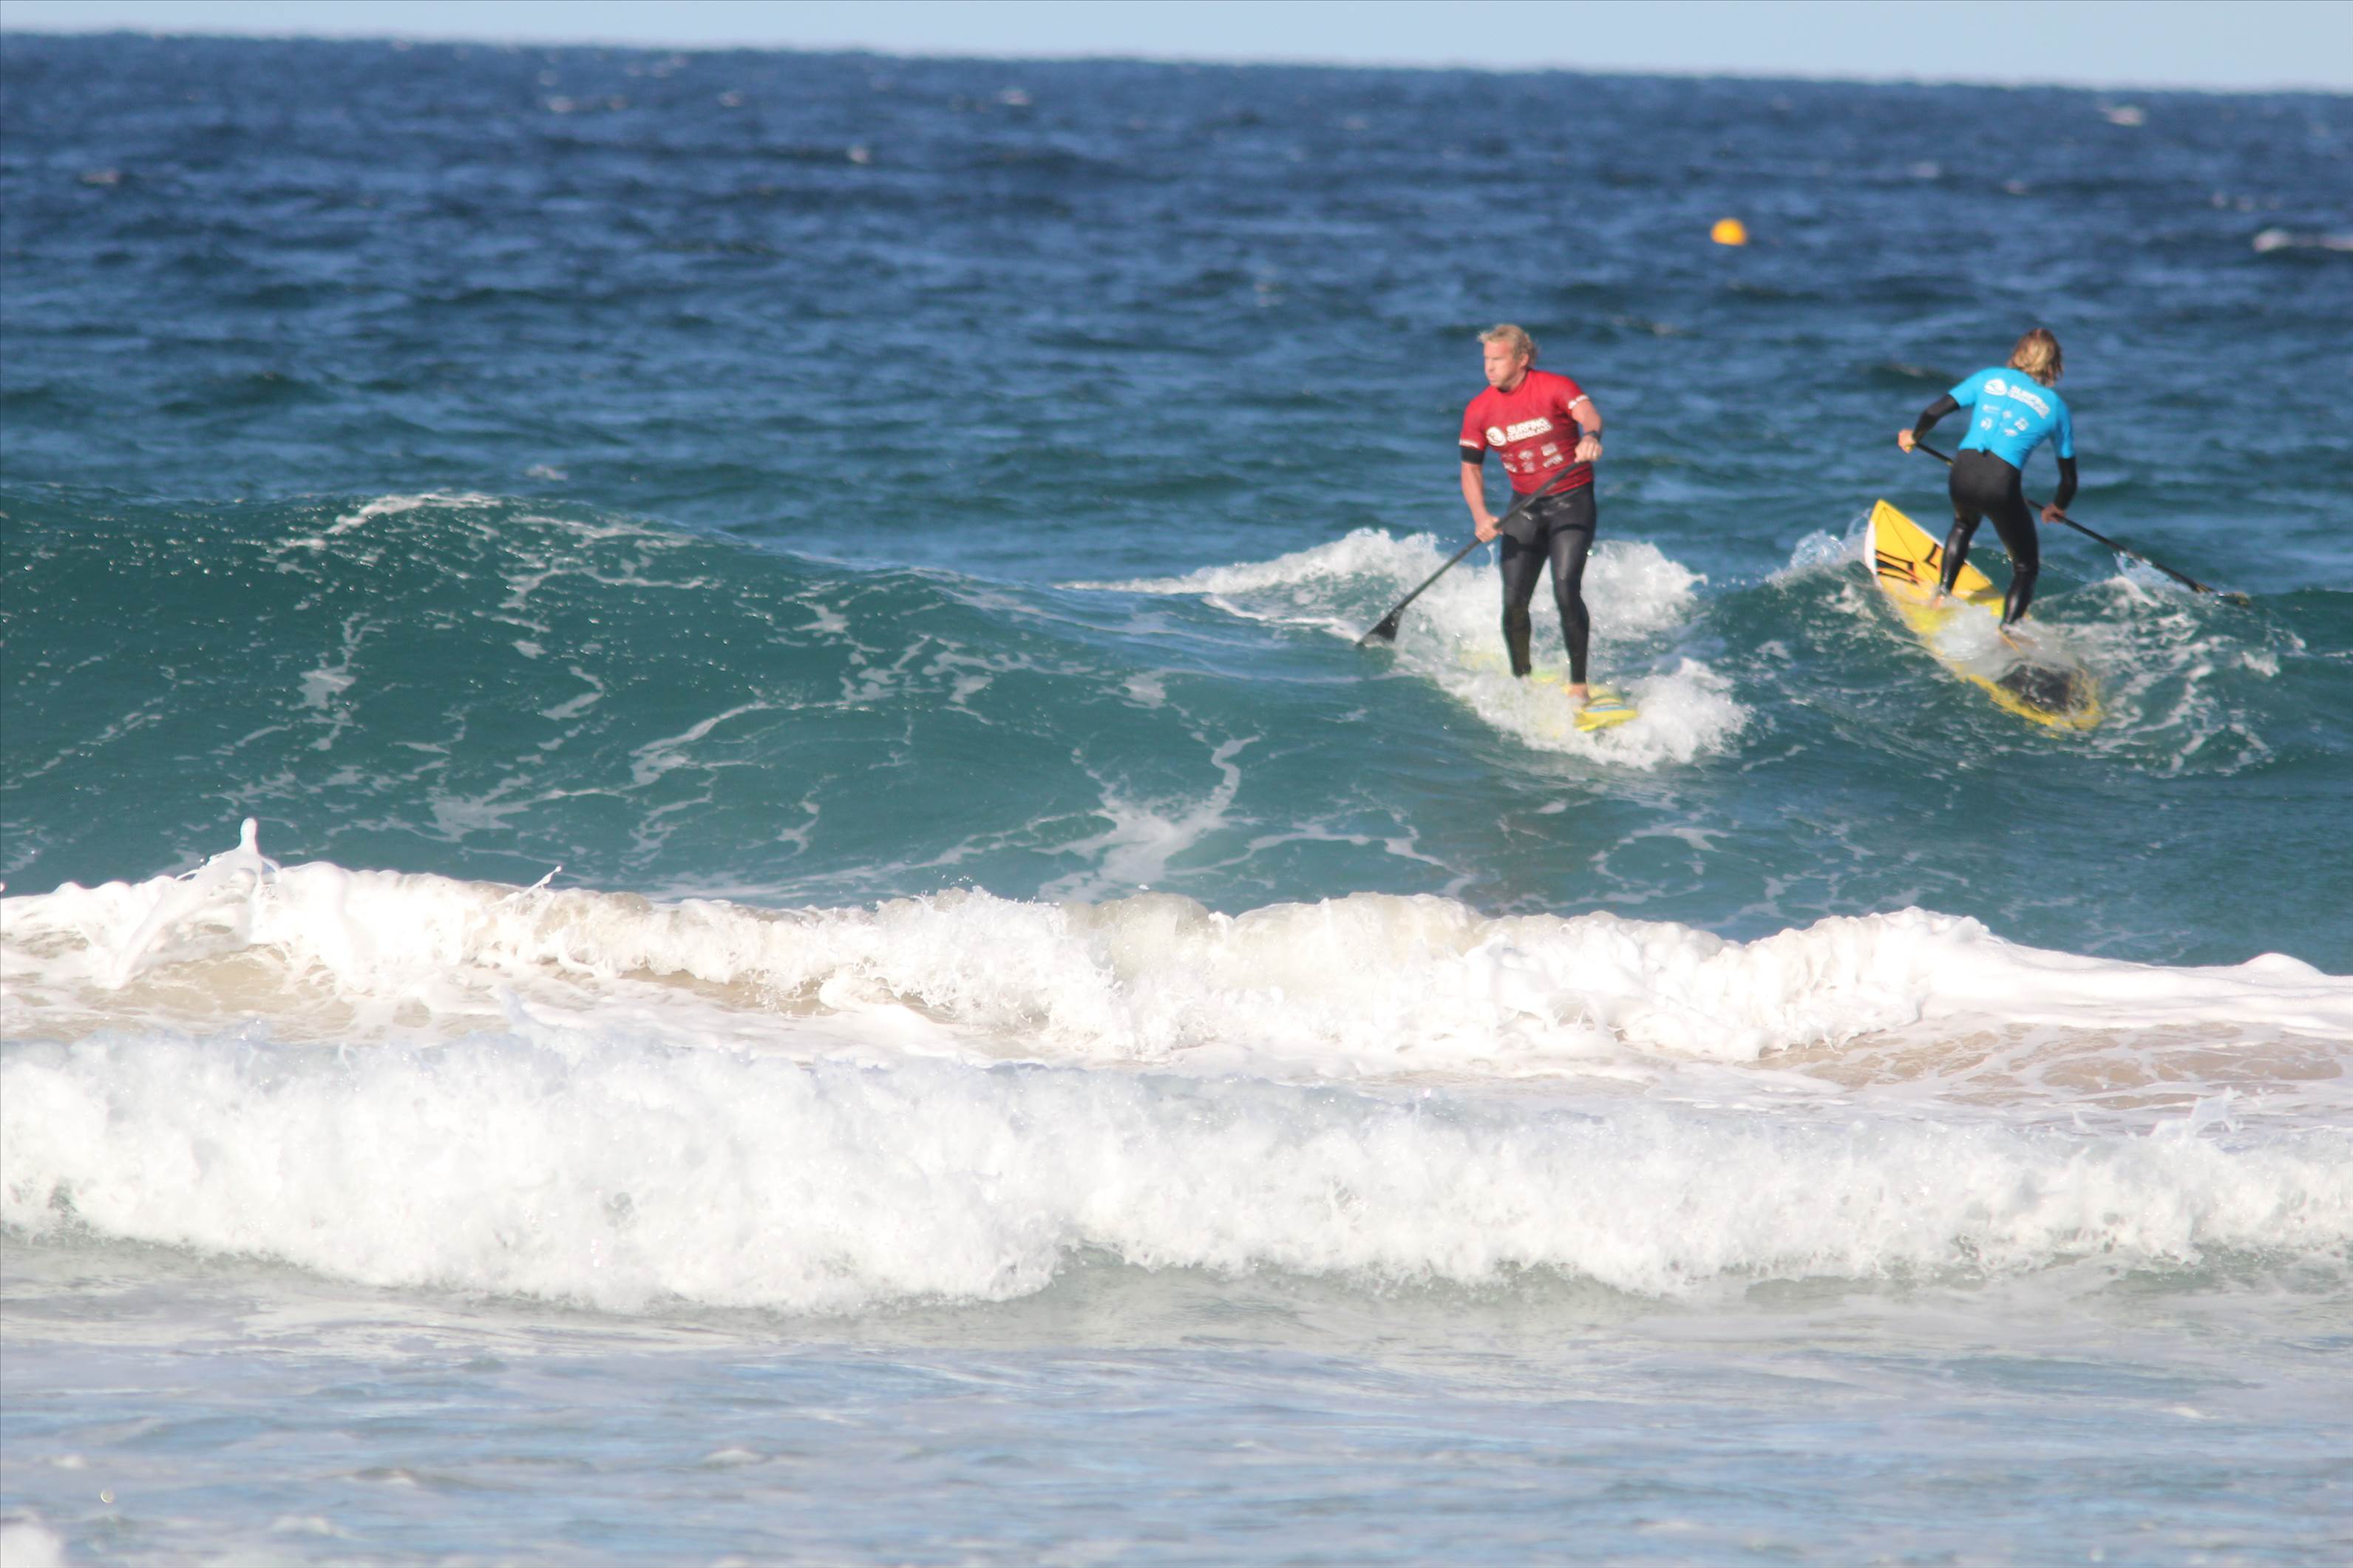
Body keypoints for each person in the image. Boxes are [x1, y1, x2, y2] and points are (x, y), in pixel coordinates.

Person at [1459, 324, 1605, 702]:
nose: (1489, 368)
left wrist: (1590, 438)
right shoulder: (1479, 409)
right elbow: (1470, 469)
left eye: (1497, 359)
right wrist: (1480, 516)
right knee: (1513, 602)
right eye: (1485, 360)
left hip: (1571, 501)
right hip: (1524, 508)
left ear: (1522, 360)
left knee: (1565, 589)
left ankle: (1579, 686)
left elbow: (1588, 414)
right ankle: (1521, 683)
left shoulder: (1555, 387)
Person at [1897, 328, 2077, 626]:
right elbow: (2069, 480)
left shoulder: (1989, 378)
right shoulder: (2056, 407)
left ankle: (1941, 595)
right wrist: (2057, 507)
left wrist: (1914, 436)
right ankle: (2008, 632)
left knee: (1963, 523)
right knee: (2025, 566)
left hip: (1962, 471)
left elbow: (1933, 411)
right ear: (2054, 365)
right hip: (2000, 484)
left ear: (2019, 353)